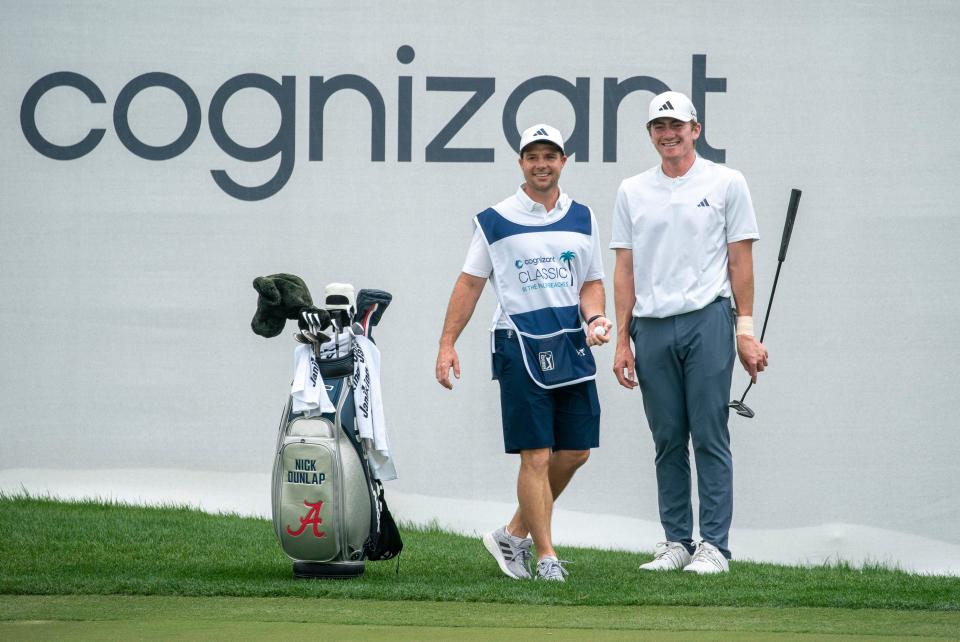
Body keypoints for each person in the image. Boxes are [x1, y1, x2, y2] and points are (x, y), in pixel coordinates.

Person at [435, 123, 612, 582]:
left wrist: (594, 317)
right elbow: (470, 283)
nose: (541, 164)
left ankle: (513, 533)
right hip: (517, 343)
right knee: (535, 454)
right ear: (521, 163)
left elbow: (592, 280)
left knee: (574, 451)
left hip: (570, 341)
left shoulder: (584, 216)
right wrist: (447, 343)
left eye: (549, 156)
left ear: (563, 162)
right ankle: (546, 555)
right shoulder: (495, 219)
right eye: (532, 156)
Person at [610, 91, 767, 574]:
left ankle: (714, 546)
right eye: (659, 126)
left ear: (695, 129)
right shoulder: (632, 190)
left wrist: (745, 330)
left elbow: (740, 260)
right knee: (668, 437)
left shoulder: (726, 182)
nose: (668, 133)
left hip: (708, 320)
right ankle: (676, 541)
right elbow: (625, 269)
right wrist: (622, 339)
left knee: (709, 434)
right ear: (651, 135)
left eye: (676, 125)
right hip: (651, 328)